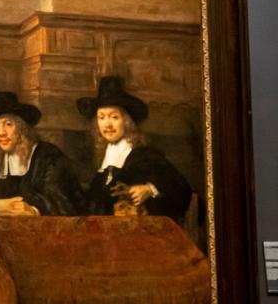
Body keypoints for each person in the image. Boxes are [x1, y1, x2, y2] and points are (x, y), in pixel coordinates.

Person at [76, 75, 192, 221]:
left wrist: (150, 189)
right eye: (101, 117)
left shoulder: (145, 156)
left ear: (127, 122)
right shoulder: (105, 161)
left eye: (114, 117)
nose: (107, 124)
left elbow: (181, 188)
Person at [0, 91, 87, 216]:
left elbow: (60, 199)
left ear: (22, 129)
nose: (1, 133)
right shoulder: (2, 161)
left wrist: (34, 209)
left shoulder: (48, 155)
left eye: (8, 124)